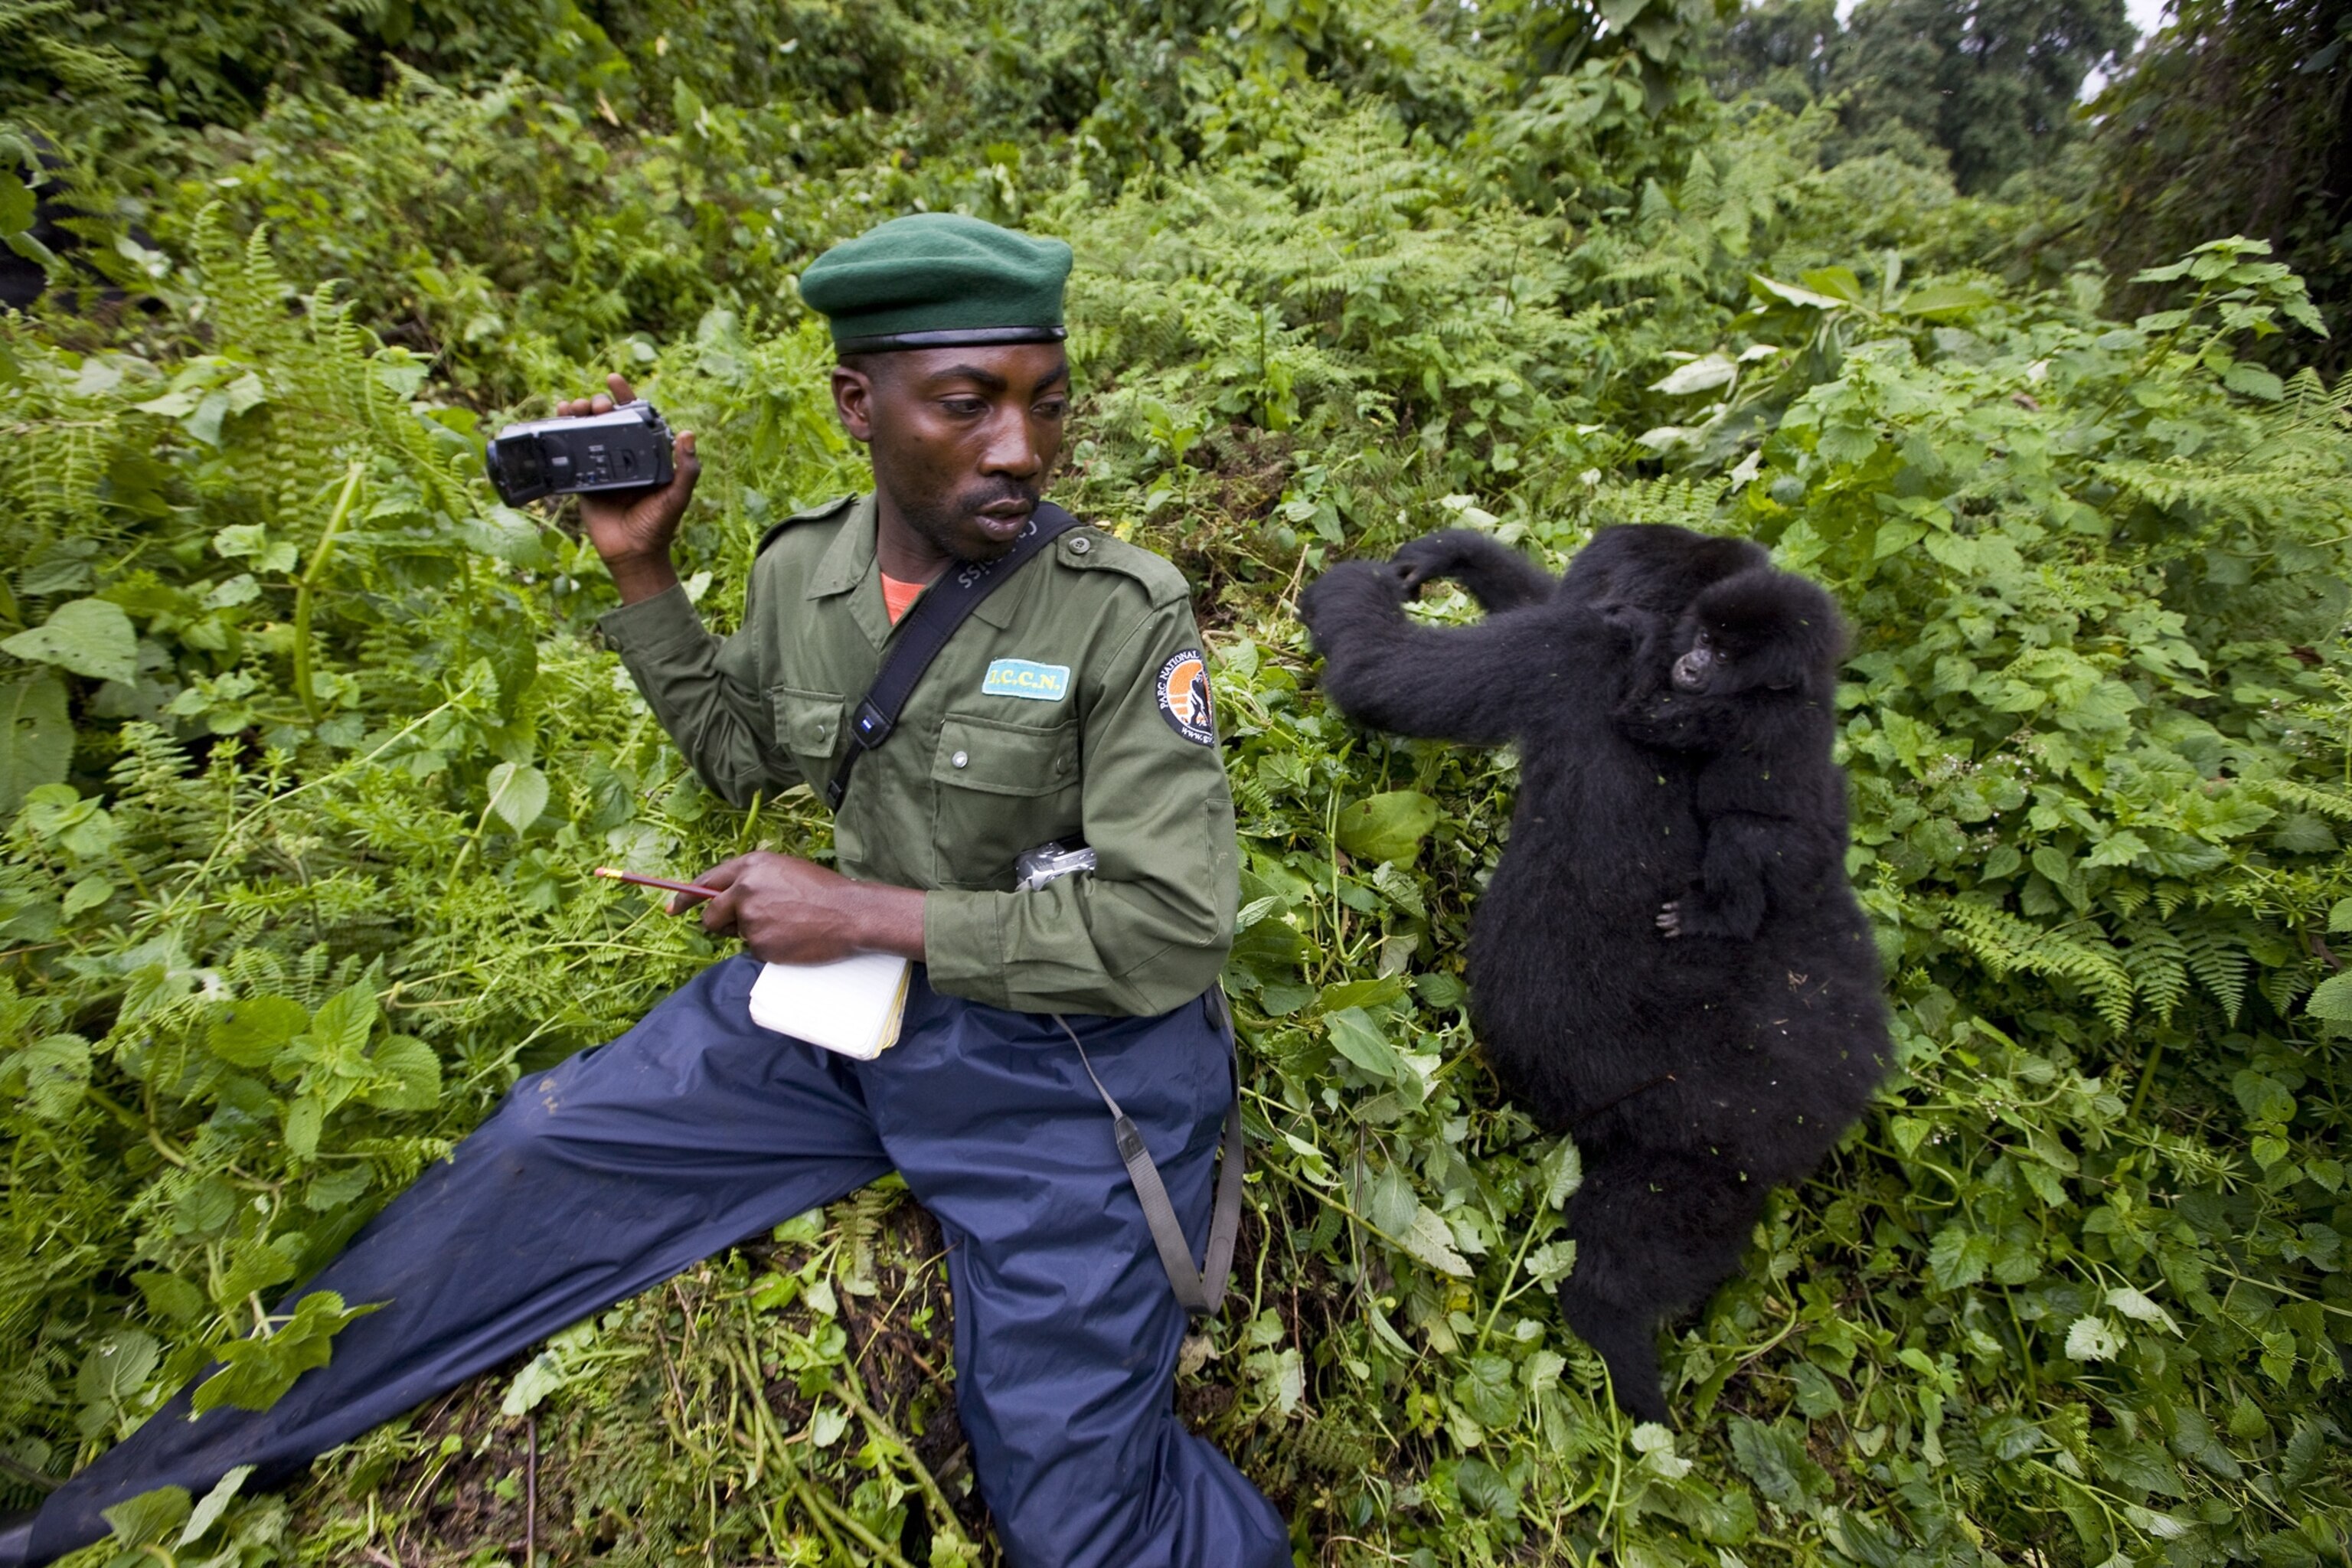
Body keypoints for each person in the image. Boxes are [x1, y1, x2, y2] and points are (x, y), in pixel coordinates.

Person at [0, 214, 1290, 1568]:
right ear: (859, 402)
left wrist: (859, 911)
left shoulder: (1120, 610)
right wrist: (639, 566)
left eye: (1045, 404)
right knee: (534, 1150)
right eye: (968, 404)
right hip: (857, 1021)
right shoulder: (808, 571)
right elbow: (744, 758)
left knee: (1080, 1524)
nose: (1021, 448)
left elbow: (1172, 925)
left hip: (1070, 1075)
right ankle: (101, 1514)